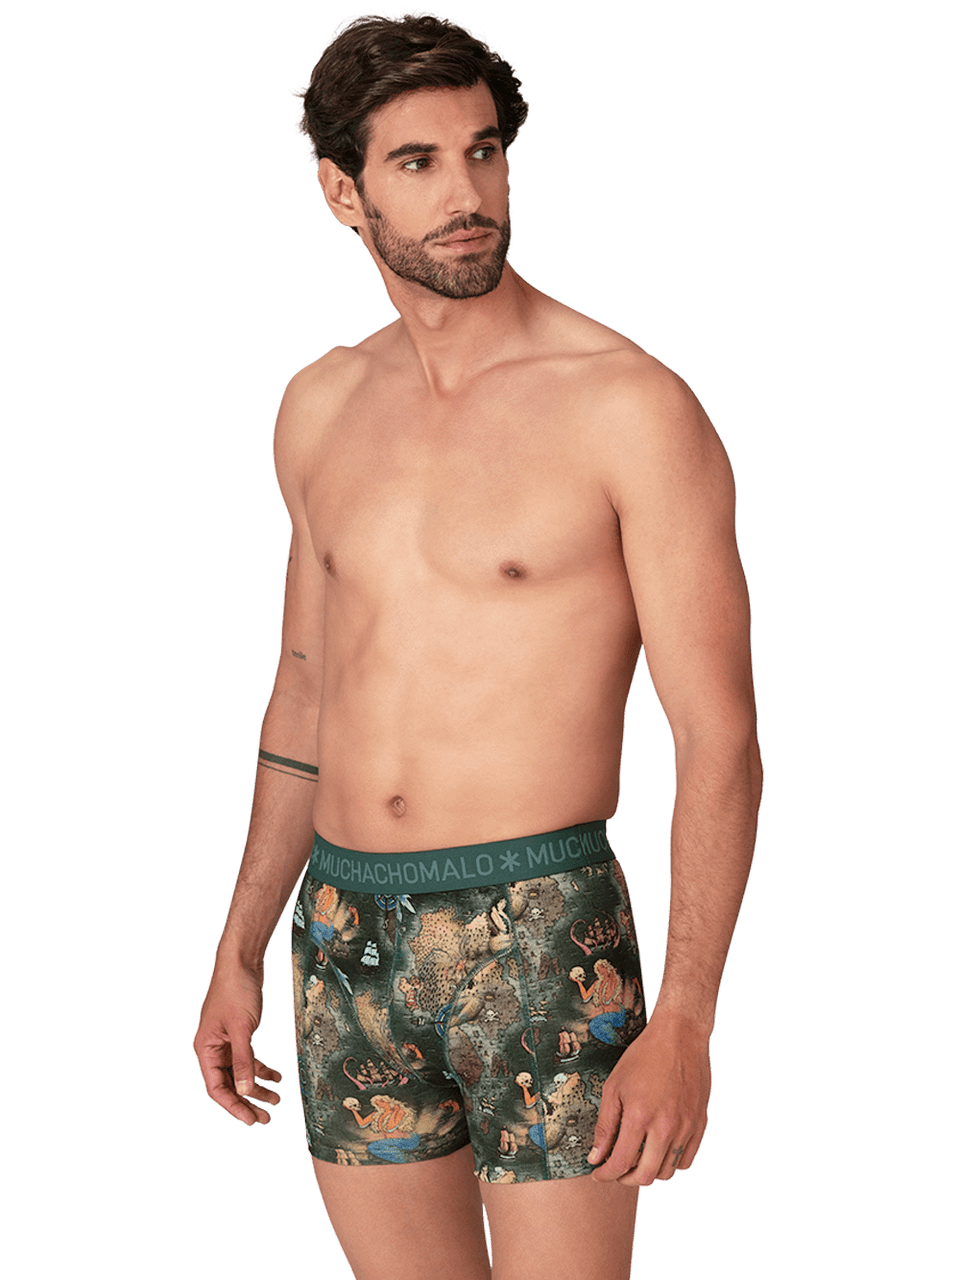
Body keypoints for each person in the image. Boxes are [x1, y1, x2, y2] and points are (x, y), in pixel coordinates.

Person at [193, 11, 762, 1280]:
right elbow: (303, 692)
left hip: (542, 926)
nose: (467, 194)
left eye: (484, 151)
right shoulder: (319, 405)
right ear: (342, 191)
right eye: (417, 162)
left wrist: (686, 1016)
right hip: (343, 930)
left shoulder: (627, 405)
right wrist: (239, 941)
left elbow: (718, 728)